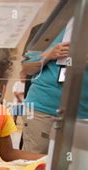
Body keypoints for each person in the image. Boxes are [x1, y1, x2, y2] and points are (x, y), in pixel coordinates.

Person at [21, 18, 88, 154]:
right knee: (36, 165)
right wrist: (48, 55)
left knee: (72, 169)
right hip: (43, 109)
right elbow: (26, 69)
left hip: (82, 115)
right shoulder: (49, 28)